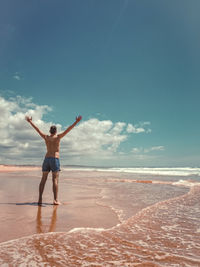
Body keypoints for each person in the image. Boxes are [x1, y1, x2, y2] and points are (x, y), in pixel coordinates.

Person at [25, 115, 82, 205]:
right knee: (55, 179)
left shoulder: (46, 137)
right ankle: (55, 200)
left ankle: (40, 199)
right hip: (55, 159)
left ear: (49, 131)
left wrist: (30, 122)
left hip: (47, 159)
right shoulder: (58, 137)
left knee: (43, 179)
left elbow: (37, 129)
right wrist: (76, 121)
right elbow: (69, 129)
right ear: (56, 131)